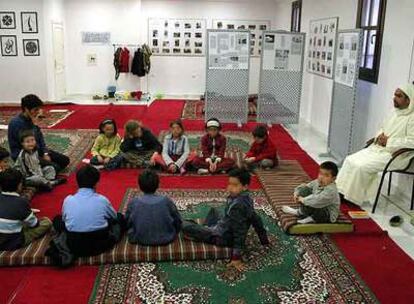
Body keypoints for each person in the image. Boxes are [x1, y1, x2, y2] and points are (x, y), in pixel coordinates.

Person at [336, 84, 414, 206]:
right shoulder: (393, 112)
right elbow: (381, 128)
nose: (394, 98)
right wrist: (379, 136)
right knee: (350, 160)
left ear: (409, 100)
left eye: (399, 96)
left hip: (396, 155)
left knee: (361, 167)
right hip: (379, 148)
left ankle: (352, 198)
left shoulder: (412, 118)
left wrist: (389, 142)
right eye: (395, 94)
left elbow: (411, 142)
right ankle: (340, 192)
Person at [182, 168, 270, 272]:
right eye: (230, 184)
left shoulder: (238, 206)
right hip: (224, 226)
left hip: (222, 237)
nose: (230, 188)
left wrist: (236, 258)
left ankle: (200, 234)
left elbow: (239, 232)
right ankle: (201, 232)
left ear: (245, 187)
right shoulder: (246, 198)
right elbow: (256, 219)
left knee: (183, 224)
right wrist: (264, 240)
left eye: (235, 185)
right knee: (214, 211)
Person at [52, 165, 124, 257]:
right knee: (120, 218)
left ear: (78, 182)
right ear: (95, 184)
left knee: (57, 220)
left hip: (74, 245)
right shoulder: (102, 200)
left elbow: (65, 220)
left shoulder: (68, 200)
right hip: (99, 245)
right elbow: (114, 217)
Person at [8, 94, 70, 172]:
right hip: (25, 155)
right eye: (35, 110)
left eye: (38, 109)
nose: (38, 112)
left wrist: (45, 153)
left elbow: (40, 138)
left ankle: (41, 168)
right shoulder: (16, 123)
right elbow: (29, 145)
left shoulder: (31, 118)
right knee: (55, 168)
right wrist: (35, 125)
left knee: (65, 160)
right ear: (26, 109)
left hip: (36, 150)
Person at [0, 169, 52, 251]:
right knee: (46, 222)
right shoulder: (21, 201)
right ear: (19, 185)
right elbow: (34, 224)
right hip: (13, 242)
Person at [126, 170, 182, 245]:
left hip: (140, 238)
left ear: (139, 186)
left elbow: (127, 222)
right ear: (158, 185)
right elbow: (178, 220)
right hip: (167, 238)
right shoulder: (166, 201)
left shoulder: (133, 202)